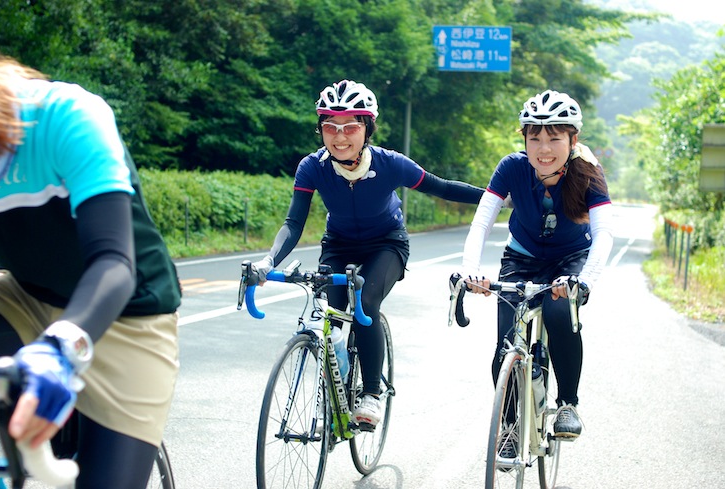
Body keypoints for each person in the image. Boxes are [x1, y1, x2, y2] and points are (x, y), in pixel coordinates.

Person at [0, 54, 181, 488]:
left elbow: (114, 263)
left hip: (130, 315)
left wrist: (60, 349)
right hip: (24, 296)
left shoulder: (65, 115)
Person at [252, 79, 483, 427]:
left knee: (366, 302)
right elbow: (294, 223)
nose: (339, 136)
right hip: (339, 245)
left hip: (386, 245)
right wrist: (267, 262)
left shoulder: (391, 164)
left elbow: (442, 187)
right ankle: (338, 385)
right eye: (329, 126)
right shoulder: (311, 167)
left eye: (349, 126)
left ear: (367, 128)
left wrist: (500, 197)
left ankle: (372, 392)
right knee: (329, 314)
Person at [461, 89, 614, 440]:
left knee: (560, 314)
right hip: (521, 258)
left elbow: (604, 232)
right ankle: (511, 429)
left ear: (572, 139)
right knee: (505, 348)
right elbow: (482, 221)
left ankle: (568, 405)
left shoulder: (588, 172)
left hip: (570, 259)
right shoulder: (512, 168)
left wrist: (585, 279)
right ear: (525, 139)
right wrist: (471, 268)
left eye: (554, 138)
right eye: (535, 138)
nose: (544, 148)